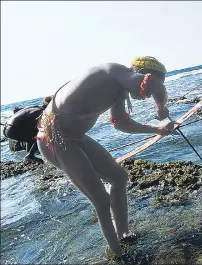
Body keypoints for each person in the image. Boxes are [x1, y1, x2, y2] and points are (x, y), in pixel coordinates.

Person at [36, 56, 175, 259]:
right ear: (144, 74)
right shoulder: (113, 71)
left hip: (76, 138)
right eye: (154, 81)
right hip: (55, 139)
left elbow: (121, 123)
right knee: (101, 199)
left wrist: (157, 129)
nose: (146, 96)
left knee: (119, 177)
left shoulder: (118, 90)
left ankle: (125, 235)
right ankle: (119, 255)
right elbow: (155, 87)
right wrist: (162, 109)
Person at [3, 96, 53, 163]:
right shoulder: (42, 112)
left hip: (6, 129)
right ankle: (30, 155)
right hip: (13, 130)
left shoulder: (35, 107)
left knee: (31, 135)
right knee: (42, 133)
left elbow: (20, 111)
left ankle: (29, 155)